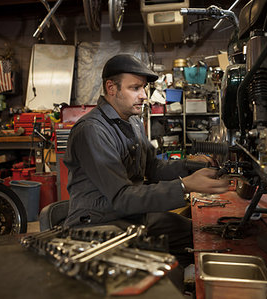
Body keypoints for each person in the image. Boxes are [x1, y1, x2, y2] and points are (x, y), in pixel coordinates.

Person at [63, 54, 228, 266]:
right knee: (193, 247)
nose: (144, 96)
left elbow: (154, 167)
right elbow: (122, 197)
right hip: (99, 225)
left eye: (144, 88)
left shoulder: (133, 122)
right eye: (135, 88)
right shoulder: (92, 131)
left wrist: (194, 165)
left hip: (133, 216)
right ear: (111, 88)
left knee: (200, 235)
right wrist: (184, 186)